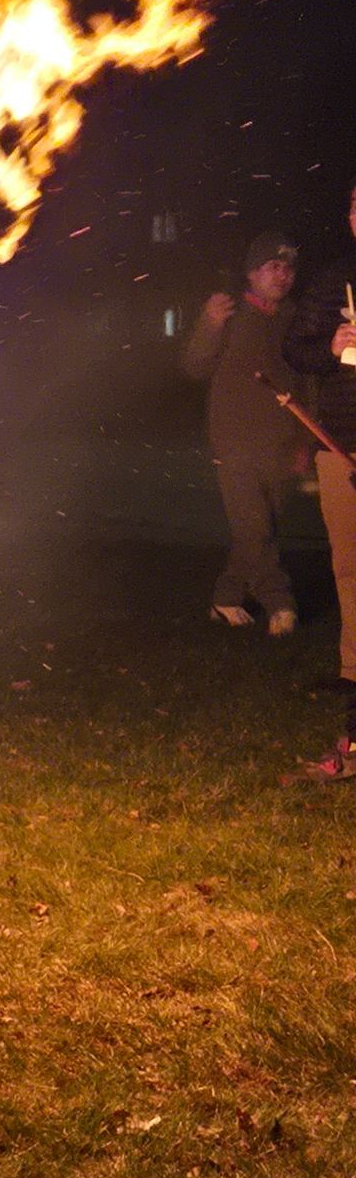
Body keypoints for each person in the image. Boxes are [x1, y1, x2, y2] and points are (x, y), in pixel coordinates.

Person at [180, 231, 309, 634]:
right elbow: (194, 366)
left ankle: (227, 597)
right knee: (255, 527)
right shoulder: (229, 314)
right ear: (252, 273)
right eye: (273, 266)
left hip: (281, 444)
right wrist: (210, 324)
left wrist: (303, 443)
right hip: (234, 444)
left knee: (257, 530)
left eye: (289, 269)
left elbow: (306, 383)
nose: (283, 275)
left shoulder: (295, 320)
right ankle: (280, 603)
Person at [284, 182, 356, 772]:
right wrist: (330, 346)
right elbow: (296, 349)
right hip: (342, 444)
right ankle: (354, 681)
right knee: (350, 565)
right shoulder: (335, 279)